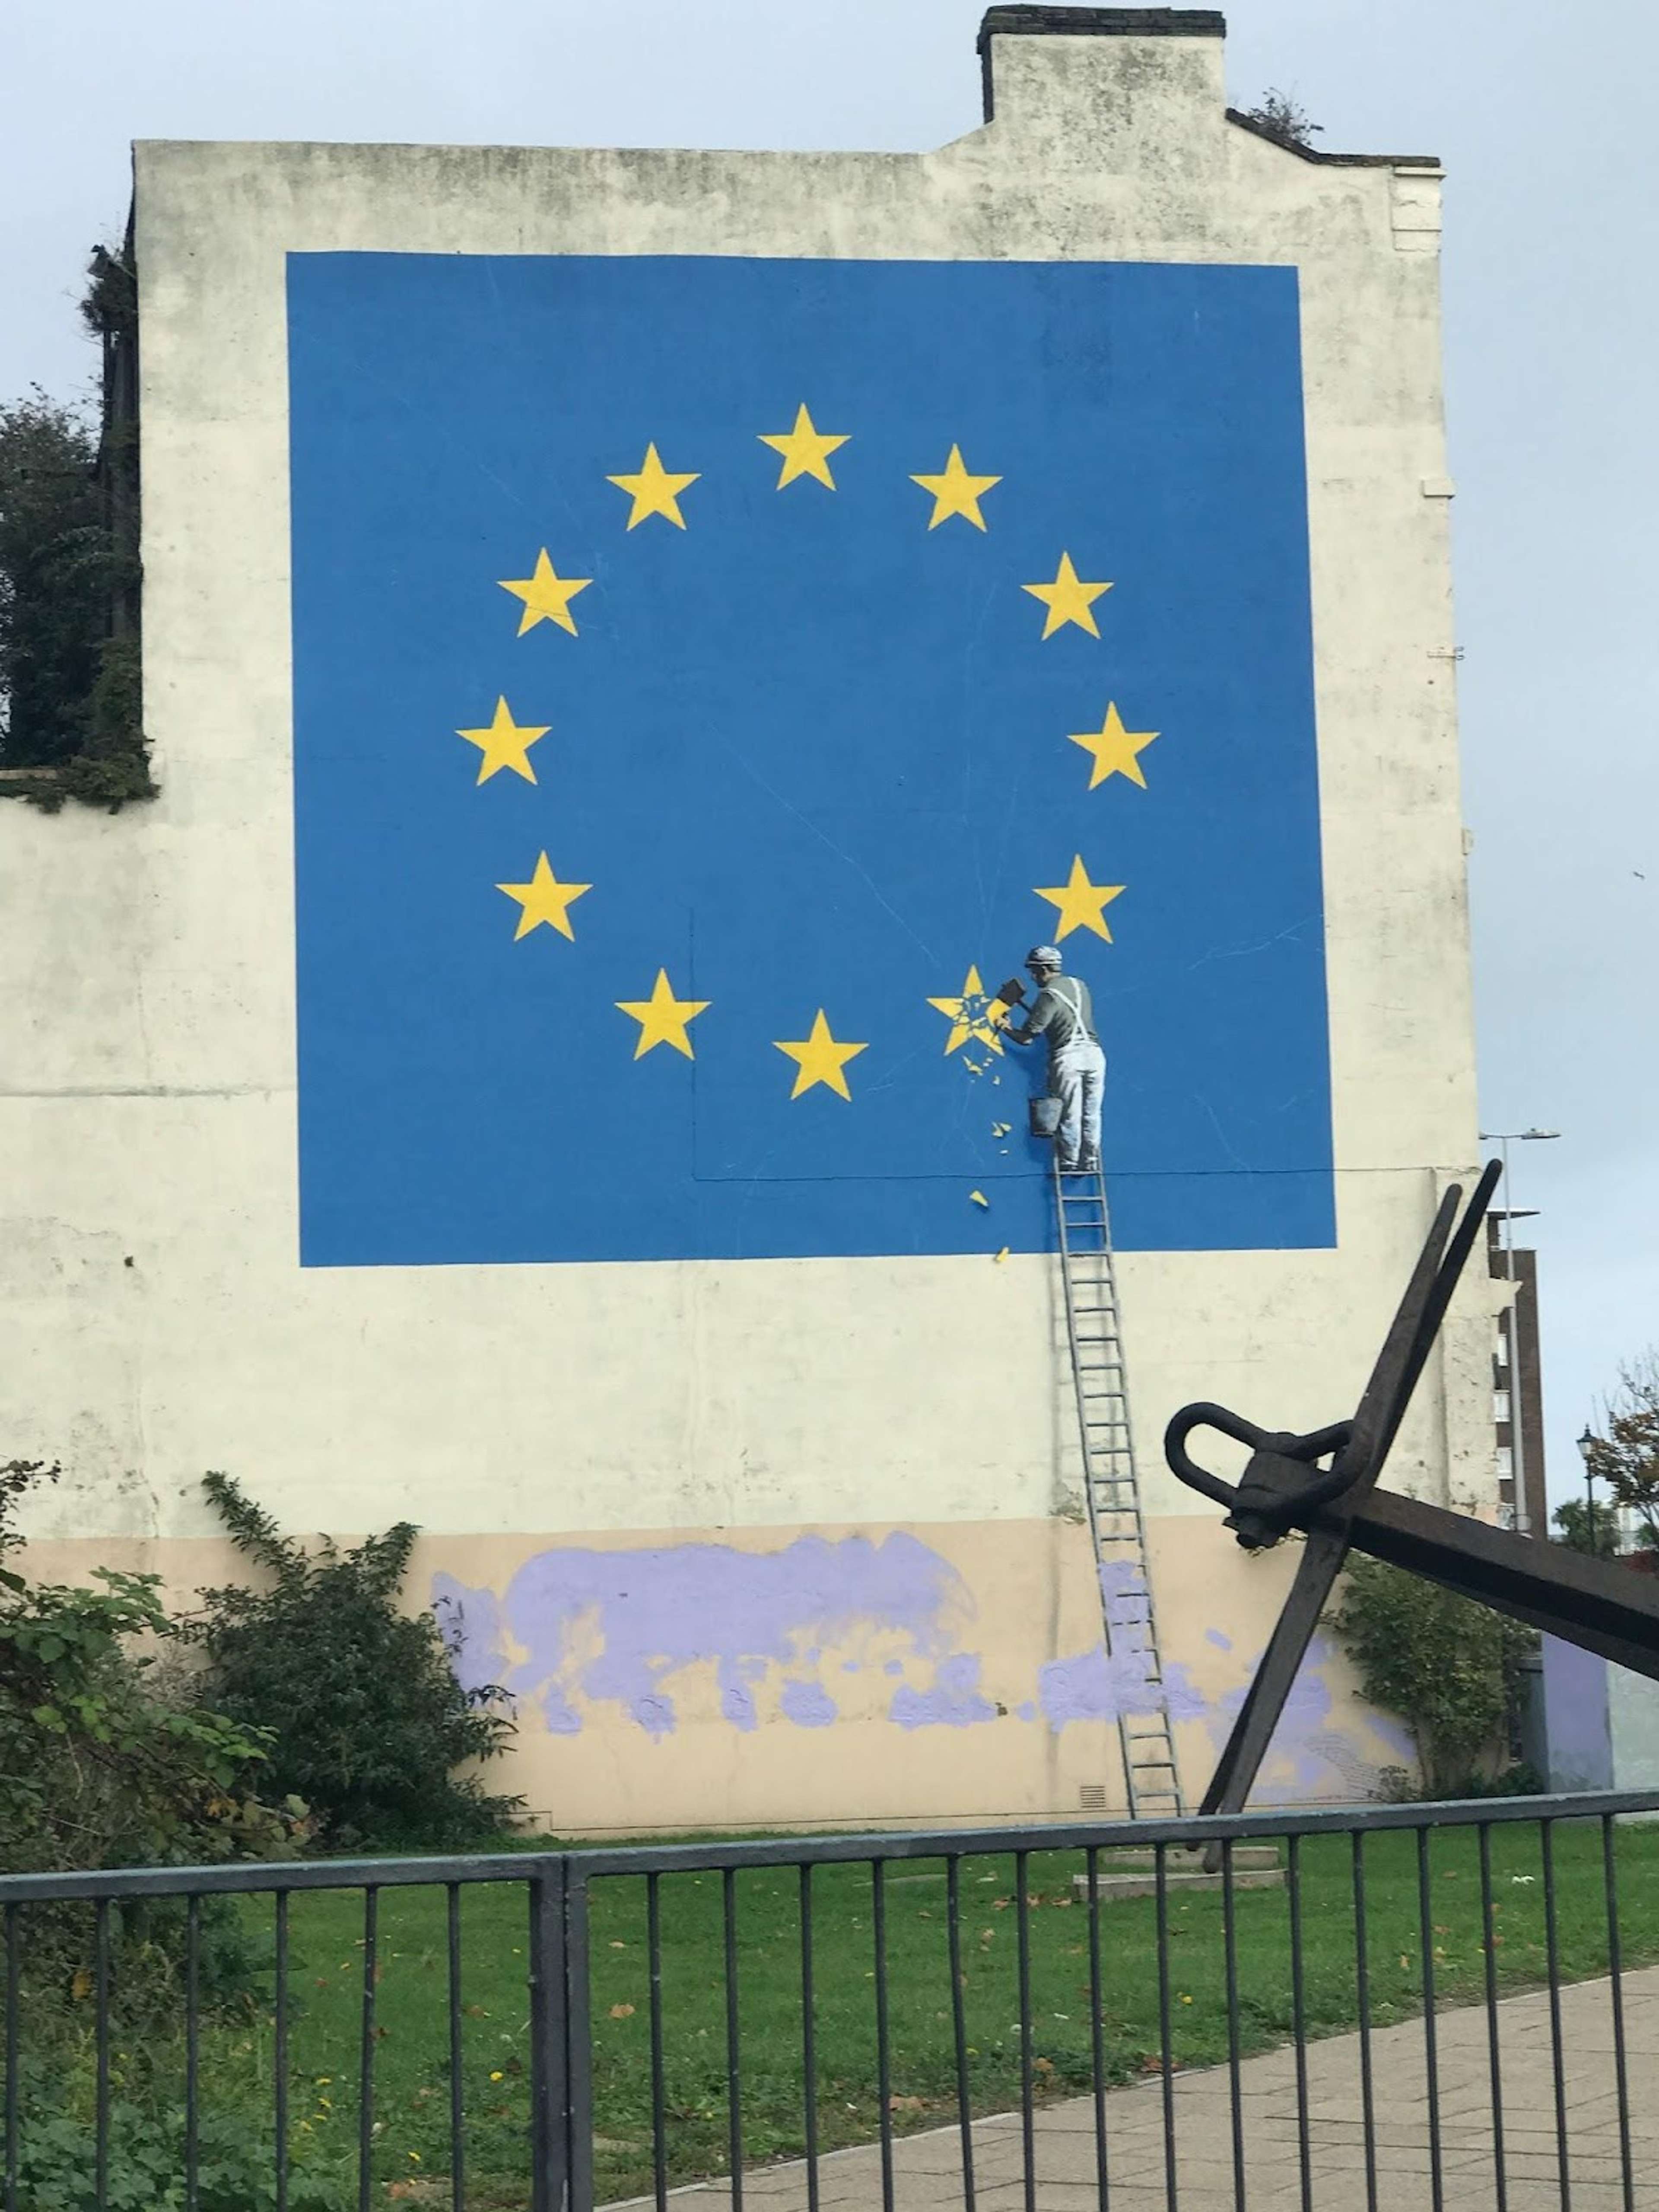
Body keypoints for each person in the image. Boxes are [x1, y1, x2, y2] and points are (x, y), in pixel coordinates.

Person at [1003, 944, 1105, 1174]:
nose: (1033, 976)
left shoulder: (1048, 996)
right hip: (1095, 1055)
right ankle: (1090, 1160)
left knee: (1070, 1113)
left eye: (1035, 971)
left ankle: (1069, 1161)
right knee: (1092, 1113)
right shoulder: (1080, 986)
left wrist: (1006, 1028)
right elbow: (1064, 1018)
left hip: (1069, 1057)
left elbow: (1027, 1038)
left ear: (1045, 969)